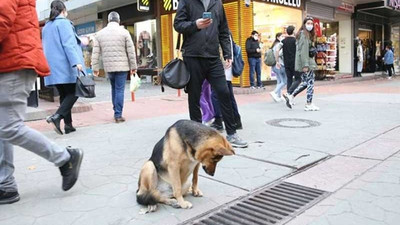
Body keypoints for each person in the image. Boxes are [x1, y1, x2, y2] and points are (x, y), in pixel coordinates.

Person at [0, 0, 83, 205]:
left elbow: (3, 18)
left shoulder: (52, 24)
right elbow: (68, 45)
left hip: (21, 64)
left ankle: (64, 155)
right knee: (5, 125)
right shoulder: (59, 24)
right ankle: (5, 183)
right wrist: (76, 63)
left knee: (9, 126)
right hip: (32, 64)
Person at [174, 0, 248, 148]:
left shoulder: (217, 3)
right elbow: (178, 24)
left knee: (224, 92)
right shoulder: (187, 1)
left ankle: (232, 133)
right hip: (193, 56)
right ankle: (196, 135)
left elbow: (223, 30)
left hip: (213, 57)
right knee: (194, 95)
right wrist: (195, 25)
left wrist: (227, 53)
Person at [42, 0, 85, 135]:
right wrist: (76, 62)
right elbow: (68, 45)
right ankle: (57, 116)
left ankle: (68, 125)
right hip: (65, 66)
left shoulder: (46, 27)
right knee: (75, 92)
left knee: (64, 95)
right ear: (63, 10)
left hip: (53, 68)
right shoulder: (64, 23)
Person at [91, 12, 137, 123]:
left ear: (108, 20)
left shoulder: (100, 34)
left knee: (114, 88)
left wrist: (95, 68)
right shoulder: (124, 32)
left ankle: (116, 110)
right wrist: (133, 66)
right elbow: (131, 51)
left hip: (109, 67)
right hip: (122, 66)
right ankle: (118, 114)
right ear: (118, 20)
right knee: (120, 89)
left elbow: (95, 52)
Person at [283, 17, 319, 111]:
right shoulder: (304, 35)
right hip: (306, 63)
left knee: (306, 82)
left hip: (305, 62)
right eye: (308, 23)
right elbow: (303, 51)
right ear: (304, 24)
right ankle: (309, 103)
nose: (310, 25)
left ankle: (291, 96)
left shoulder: (304, 34)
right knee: (310, 83)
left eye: (311, 23)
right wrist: (305, 65)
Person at [211, 33, 243, 131]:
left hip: (222, 70)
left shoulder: (221, 33)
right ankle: (236, 121)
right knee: (228, 96)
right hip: (226, 70)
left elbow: (222, 51)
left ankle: (218, 121)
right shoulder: (227, 33)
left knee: (215, 95)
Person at [282, 26, 301, 95]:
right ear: (293, 31)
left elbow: (278, 50)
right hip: (295, 62)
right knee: (298, 79)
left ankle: (288, 94)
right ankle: (290, 93)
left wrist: (277, 60)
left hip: (286, 62)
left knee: (289, 78)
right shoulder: (296, 41)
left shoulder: (283, 41)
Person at [269, 33, 287, 102]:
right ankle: (274, 92)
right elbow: (279, 54)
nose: (283, 37)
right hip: (280, 64)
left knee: (279, 81)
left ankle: (279, 96)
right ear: (278, 37)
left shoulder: (274, 44)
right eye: (282, 36)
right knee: (284, 81)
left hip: (274, 65)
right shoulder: (279, 45)